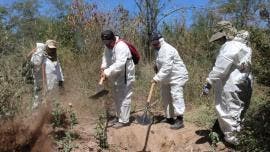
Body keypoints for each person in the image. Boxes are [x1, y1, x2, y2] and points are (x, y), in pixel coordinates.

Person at [202, 21, 252, 145]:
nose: (218, 41)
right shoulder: (245, 46)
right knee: (239, 111)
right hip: (245, 83)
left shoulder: (229, 46)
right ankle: (240, 136)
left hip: (230, 85)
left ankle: (233, 142)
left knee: (227, 112)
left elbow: (220, 69)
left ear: (226, 34)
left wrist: (208, 83)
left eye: (220, 38)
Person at [151, 32, 189, 129]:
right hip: (167, 77)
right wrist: (156, 68)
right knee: (165, 96)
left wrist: (156, 78)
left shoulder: (168, 49)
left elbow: (167, 67)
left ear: (160, 40)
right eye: (153, 44)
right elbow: (160, 64)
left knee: (176, 96)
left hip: (177, 76)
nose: (154, 45)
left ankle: (180, 120)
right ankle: (169, 117)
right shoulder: (158, 50)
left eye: (155, 43)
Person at [100, 30, 135, 129]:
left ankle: (124, 121)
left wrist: (107, 72)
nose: (106, 44)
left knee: (124, 97)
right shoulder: (108, 46)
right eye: (104, 42)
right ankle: (119, 116)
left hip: (126, 75)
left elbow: (120, 64)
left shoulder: (121, 46)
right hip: (117, 75)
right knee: (117, 96)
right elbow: (106, 57)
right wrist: (103, 68)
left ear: (112, 39)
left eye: (107, 42)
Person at [30, 40, 64, 109]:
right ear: (46, 48)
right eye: (50, 48)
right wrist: (38, 49)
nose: (52, 50)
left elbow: (59, 72)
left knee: (53, 105)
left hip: (54, 86)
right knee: (38, 105)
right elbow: (35, 63)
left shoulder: (56, 59)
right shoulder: (41, 57)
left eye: (53, 48)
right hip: (42, 87)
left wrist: (61, 83)